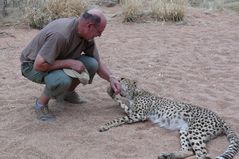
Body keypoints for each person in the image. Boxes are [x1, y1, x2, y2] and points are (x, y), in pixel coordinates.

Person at [20, 9, 121, 121]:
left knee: (92, 64)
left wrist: (111, 78)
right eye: (99, 31)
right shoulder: (61, 35)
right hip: (31, 66)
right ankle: (40, 105)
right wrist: (69, 63)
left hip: (56, 60)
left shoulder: (86, 36)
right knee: (61, 79)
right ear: (90, 26)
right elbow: (38, 65)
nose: (100, 35)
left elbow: (96, 61)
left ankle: (68, 93)